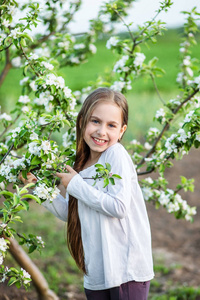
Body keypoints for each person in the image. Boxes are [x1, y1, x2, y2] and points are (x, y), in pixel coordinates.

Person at [20, 88, 154, 300]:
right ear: (82, 121)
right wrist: (38, 188)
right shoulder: (81, 164)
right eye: (95, 121)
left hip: (125, 270)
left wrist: (75, 184)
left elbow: (119, 207)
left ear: (122, 131)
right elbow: (71, 212)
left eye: (111, 125)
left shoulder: (115, 154)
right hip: (97, 269)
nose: (102, 131)